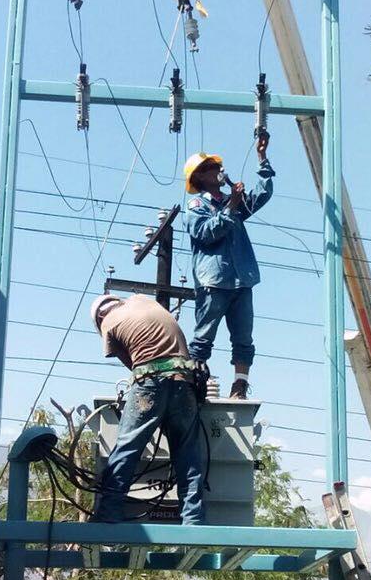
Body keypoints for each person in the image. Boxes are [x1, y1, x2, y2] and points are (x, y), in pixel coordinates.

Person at [90, 293, 207, 525]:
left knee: (127, 447)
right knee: (188, 453)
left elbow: (133, 365)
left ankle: (108, 513)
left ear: (99, 316)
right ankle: (193, 519)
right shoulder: (142, 299)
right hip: (185, 380)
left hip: (150, 381)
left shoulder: (108, 323)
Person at [183, 133, 273, 399]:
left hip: (242, 279)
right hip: (214, 282)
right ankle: (193, 385)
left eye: (217, 165)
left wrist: (262, 157)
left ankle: (239, 386)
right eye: (211, 166)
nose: (218, 169)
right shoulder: (196, 205)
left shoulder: (230, 200)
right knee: (203, 338)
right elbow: (206, 233)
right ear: (200, 177)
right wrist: (232, 206)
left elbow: (263, 193)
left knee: (243, 339)